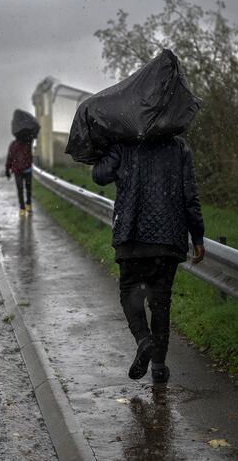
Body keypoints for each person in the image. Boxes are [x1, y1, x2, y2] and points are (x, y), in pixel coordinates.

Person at [92, 136, 205, 384]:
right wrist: (197, 235)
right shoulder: (179, 147)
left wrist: (106, 147)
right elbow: (190, 196)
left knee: (129, 292)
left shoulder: (124, 144)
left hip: (131, 236)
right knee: (161, 302)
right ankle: (159, 368)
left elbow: (99, 176)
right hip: (168, 238)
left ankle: (144, 340)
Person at [5, 136, 33, 215]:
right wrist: (7, 168)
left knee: (20, 189)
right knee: (27, 188)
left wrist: (7, 169)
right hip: (25, 170)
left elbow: (9, 157)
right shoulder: (28, 142)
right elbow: (10, 157)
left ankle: (23, 208)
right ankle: (27, 204)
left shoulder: (14, 144)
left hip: (19, 170)